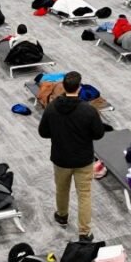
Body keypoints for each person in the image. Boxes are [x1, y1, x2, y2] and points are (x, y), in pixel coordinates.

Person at [38, 71, 104, 242]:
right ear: (79, 87)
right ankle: (84, 232)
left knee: (62, 189)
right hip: (83, 160)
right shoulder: (88, 110)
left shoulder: (52, 107)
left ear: (63, 87)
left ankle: (62, 215)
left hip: (61, 159)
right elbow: (98, 134)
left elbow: (43, 132)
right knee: (84, 195)